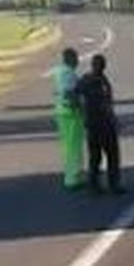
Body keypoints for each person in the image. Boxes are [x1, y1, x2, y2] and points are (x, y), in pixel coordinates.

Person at [75, 53, 123, 194]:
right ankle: (113, 184)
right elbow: (106, 105)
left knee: (94, 156)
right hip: (104, 124)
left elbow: (74, 95)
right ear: (103, 66)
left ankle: (93, 185)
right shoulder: (101, 82)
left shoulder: (85, 79)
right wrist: (114, 120)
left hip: (91, 123)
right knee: (112, 155)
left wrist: (82, 112)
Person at [50, 47, 87, 191]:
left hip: (61, 111)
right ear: (70, 59)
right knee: (74, 146)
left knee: (68, 146)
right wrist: (81, 109)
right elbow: (70, 94)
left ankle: (73, 175)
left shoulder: (58, 72)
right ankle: (73, 178)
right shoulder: (69, 74)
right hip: (70, 113)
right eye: (76, 58)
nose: (78, 61)